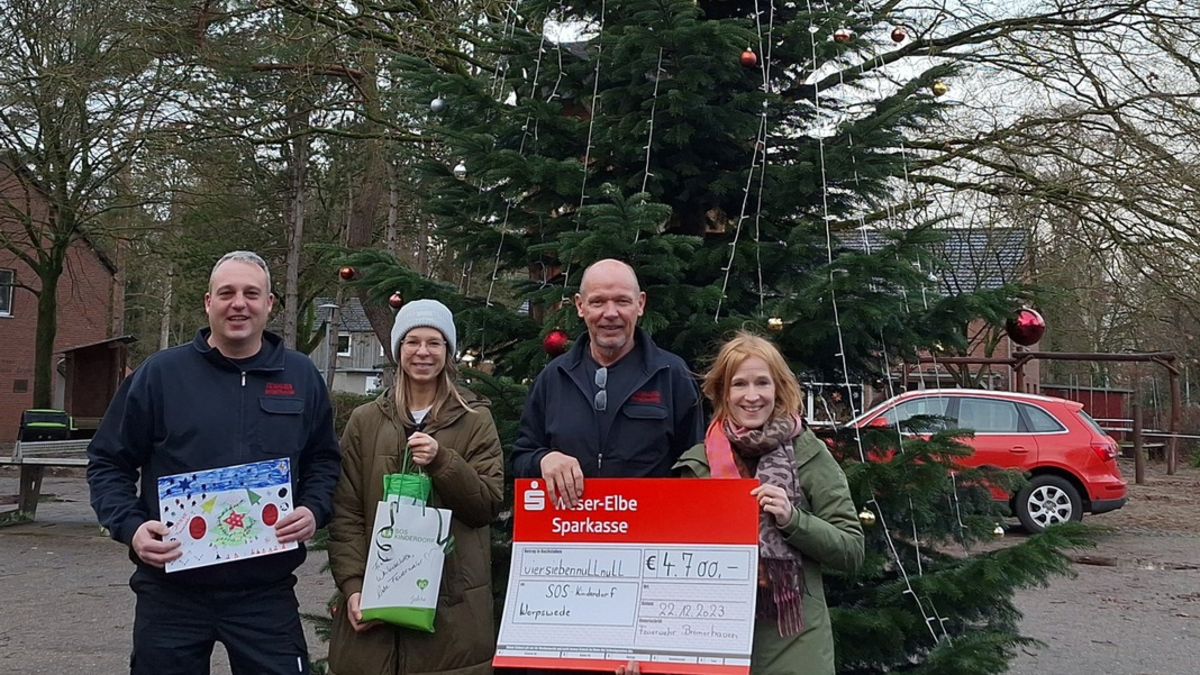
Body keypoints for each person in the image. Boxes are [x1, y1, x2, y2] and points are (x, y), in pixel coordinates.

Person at [86, 250, 341, 675]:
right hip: (171, 592)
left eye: (250, 293)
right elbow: (108, 461)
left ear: (269, 304)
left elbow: (324, 461)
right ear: (208, 303)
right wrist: (130, 528)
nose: (238, 303)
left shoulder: (300, 377)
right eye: (227, 293)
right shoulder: (160, 375)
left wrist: (314, 510)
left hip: (265, 592)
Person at [326, 299, 504, 675]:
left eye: (434, 343)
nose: (423, 352)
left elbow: (485, 506)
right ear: (398, 351)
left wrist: (444, 462)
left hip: (451, 625)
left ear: (448, 352)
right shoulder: (365, 421)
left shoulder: (476, 420)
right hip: (374, 622)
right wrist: (354, 587)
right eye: (412, 342)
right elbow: (345, 514)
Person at [675, 331, 864, 675]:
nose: (751, 396)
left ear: (778, 389)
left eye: (762, 383)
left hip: (795, 644)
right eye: (739, 384)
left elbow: (851, 550)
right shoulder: (697, 463)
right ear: (722, 392)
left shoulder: (809, 454)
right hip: (715, 640)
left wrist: (794, 521)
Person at [511, 258, 703, 506]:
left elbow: (696, 465)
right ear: (581, 306)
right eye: (598, 302)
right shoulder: (553, 378)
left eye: (622, 301)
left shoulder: (671, 374)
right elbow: (521, 459)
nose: (610, 314)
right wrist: (543, 460)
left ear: (640, 304)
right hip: (571, 532)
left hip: (650, 534)